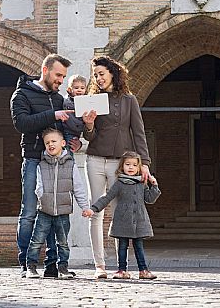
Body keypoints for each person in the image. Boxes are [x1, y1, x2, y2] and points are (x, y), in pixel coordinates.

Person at [82, 55, 153, 279]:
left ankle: (121, 267)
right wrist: (89, 124)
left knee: (119, 213)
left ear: (113, 72)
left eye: (101, 73)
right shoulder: (93, 98)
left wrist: (145, 164)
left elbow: (139, 134)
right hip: (94, 159)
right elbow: (89, 136)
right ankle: (99, 266)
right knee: (96, 212)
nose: (98, 78)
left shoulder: (129, 100)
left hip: (119, 163)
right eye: (95, 75)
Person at [10, 53, 80, 278]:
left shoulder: (59, 98)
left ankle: (52, 265)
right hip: (33, 159)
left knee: (55, 211)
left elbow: (64, 129)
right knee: (30, 212)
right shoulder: (21, 94)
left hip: (57, 161)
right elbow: (21, 124)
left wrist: (74, 141)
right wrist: (53, 114)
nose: (61, 80)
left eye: (63, 76)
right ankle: (26, 263)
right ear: (45, 71)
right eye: (58, 75)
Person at [84, 151, 161, 280]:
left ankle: (143, 270)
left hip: (139, 221)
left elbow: (149, 199)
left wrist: (154, 185)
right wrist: (94, 209)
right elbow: (107, 197)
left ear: (139, 167)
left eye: (134, 165)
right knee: (122, 246)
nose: (130, 167)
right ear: (122, 166)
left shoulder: (142, 183)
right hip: (122, 221)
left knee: (139, 247)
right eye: (127, 164)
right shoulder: (119, 183)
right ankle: (121, 270)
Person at [26, 128, 91, 279]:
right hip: (44, 211)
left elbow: (78, 187)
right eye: (47, 142)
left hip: (63, 212)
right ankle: (31, 267)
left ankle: (63, 268)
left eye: (53, 141)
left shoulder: (71, 165)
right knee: (37, 240)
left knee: (62, 243)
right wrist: (41, 196)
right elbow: (38, 185)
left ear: (63, 143)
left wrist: (85, 207)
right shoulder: (41, 164)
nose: (50, 144)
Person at [63, 74, 87, 149]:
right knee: (68, 150)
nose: (79, 90)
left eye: (82, 88)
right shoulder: (67, 102)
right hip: (68, 131)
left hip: (77, 133)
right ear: (70, 89)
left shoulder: (85, 101)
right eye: (76, 88)